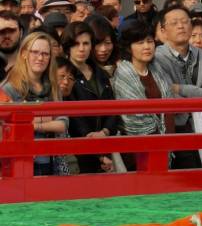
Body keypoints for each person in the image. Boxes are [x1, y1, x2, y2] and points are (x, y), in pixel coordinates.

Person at [153, 4, 202, 169]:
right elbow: (168, 94)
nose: (181, 26)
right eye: (174, 23)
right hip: (174, 129)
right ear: (163, 31)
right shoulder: (157, 58)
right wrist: (199, 97)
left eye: (185, 22)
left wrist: (183, 89)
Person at [0, 31, 69, 175]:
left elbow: (62, 124)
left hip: (53, 159)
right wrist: (47, 121)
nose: (40, 58)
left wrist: (34, 124)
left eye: (45, 54)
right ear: (24, 53)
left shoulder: (53, 86)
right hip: (22, 161)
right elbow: (7, 127)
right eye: (35, 52)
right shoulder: (10, 86)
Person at [63, 20, 118, 173]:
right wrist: (99, 154)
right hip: (79, 150)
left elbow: (113, 108)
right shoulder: (64, 75)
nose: (81, 49)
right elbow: (74, 118)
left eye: (86, 43)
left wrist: (105, 132)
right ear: (68, 46)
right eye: (76, 44)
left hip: (105, 143)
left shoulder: (100, 72)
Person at [112, 21, 173, 159]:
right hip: (137, 149)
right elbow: (134, 119)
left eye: (149, 41)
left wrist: (168, 140)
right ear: (128, 48)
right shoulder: (124, 74)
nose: (146, 47)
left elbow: (169, 106)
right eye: (139, 43)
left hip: (165, 144)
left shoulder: (156, 70)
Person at [88, 15, 120, 79]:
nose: (103, 49)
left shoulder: (122, 67)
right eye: (97, 43)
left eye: (108, 43)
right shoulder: (84, 72)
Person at [0, 10, 23, 77]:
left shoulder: (32, 61)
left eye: (12, 31)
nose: (7, 36)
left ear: (21, 32)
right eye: (2, 31)